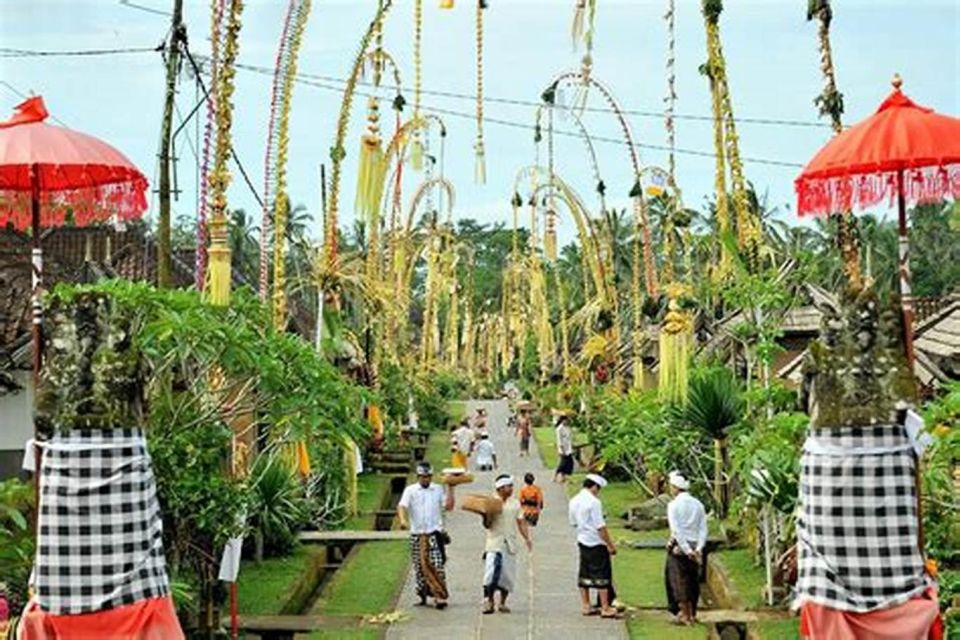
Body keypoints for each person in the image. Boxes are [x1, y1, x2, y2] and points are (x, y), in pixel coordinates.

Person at [397, 461, 456, 609]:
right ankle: (423, 595)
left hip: (434, 534)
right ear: (418, 477)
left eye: (428, 477)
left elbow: (448, 506)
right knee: (419, 566)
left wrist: (451, 489)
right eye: (423, 477)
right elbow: (402, 505)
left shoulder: (437, 490)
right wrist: (403, 520)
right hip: (417, 534)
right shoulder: (410, 491)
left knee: (437, 565)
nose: (426, 480)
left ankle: (439, 595)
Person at [568, 474, 620, 619]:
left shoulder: (574, 500)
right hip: (596, 541)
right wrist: (610, 545)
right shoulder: (594, 502)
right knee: (602, 574)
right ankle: (605, 607)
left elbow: (573, 522)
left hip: (582, 539)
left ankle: (586, 605)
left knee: (584, 572)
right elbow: (600, 526)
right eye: (598, 489)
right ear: (595, 486)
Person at [481, 474, 532, 614]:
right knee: (491, 572)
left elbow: (521, 521)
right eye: (508, 486)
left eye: (511, 486)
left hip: (510, 543)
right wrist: (486, 515)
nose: (511, 489)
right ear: (500, 488)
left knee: (507, 574)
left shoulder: (515, 503)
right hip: (494, 542)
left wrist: (527, 538)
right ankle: (488, 600)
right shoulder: (491, 502)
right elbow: (487, 524)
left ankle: (502, 602)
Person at [664, 471, 707, 625]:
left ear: (675, 487)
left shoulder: (673, 505)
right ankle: (693, 614)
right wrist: (698, 549)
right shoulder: (698, 504)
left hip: (680, 548)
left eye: (671, 486)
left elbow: (676, 530)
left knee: (678, 581)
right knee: (693, 580)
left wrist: (687, 550)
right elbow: (703, 528)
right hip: (696, 546)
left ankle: (685, 615)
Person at [554, 412, 575, 483]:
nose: (566, 421)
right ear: (562, 420)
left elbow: (570, 438)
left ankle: (564, 477)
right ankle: (556, 476)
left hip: (569, 448)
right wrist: (562, 450)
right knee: (563, 464)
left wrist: (572, 446)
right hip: (563, 449)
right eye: (565, 420)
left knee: (569, 463)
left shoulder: (568, 428)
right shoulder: (559, 429)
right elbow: (559, 440)